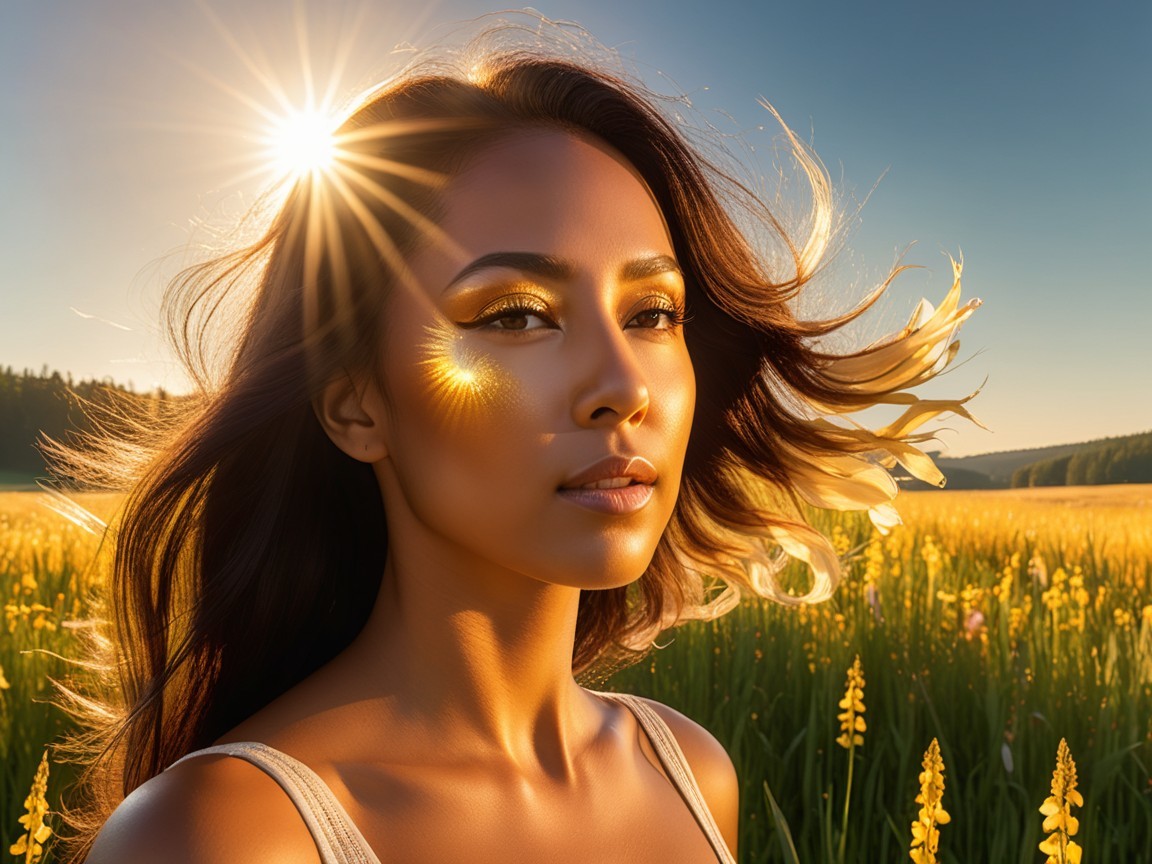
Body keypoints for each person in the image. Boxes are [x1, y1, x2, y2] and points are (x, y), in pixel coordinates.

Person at [55, 17, 978, 864]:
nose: (622, 386)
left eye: (653, 313)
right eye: (518, 316)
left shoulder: (692, 772)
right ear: (356, 406)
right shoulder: (224, 837)